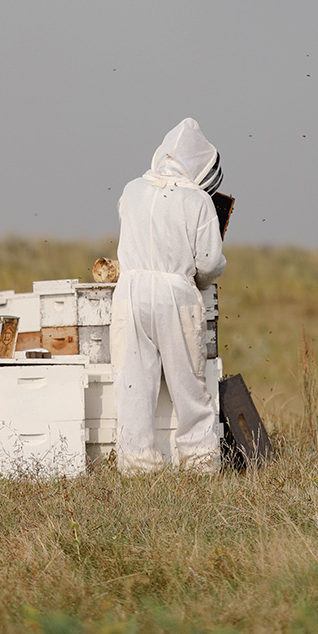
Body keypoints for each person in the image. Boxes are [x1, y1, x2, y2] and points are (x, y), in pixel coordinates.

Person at [110, 118, 226, 475]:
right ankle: (199, 461)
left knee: (133, 383)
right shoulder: (198, 201)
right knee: (189, 383)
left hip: (128, 294)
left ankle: (137, 464)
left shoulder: (131, 190)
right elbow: (207, 262)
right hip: (175, 296)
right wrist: (204, 276)